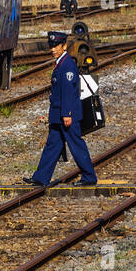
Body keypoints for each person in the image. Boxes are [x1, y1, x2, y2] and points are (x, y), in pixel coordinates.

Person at [25, 30, 97, 187]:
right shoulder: (61, 64)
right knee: (53, 145)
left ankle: (89, 177)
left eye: (56, 46)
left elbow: (68, 92)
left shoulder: (68, 65)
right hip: (58, 114)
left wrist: (67, 114)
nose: (53, 49)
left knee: (76, 145)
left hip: (66, 114)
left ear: (64, 46)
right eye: (51, 46)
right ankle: (41, 177)